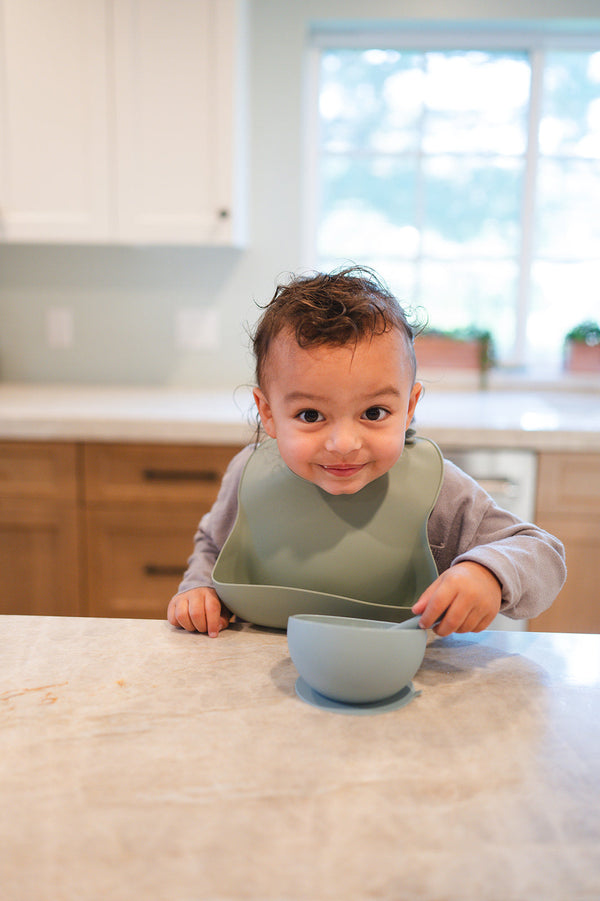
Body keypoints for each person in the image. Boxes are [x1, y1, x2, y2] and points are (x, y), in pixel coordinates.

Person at [167, 267, 566, 638]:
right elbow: (214, 548)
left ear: (408, 408)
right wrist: (200, 589)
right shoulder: (247, 474)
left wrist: (489, 574)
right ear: (268, 413)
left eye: (373, 413)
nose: (343, 443)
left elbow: (543, 555)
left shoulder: (438, 491)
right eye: (311, 414)